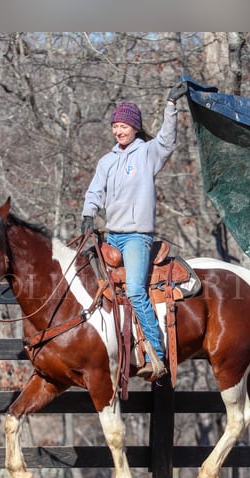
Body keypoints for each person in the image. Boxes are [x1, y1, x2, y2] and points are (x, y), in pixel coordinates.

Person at [81, 82, 188, 380]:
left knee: (136, 291)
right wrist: (88, 214)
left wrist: (170, 106)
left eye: (124, 125)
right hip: (110, 236)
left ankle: (156, 352)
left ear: (135, 128)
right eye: (115, 125)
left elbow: (167, 140)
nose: (118, 131)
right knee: (92, 285)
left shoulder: (148, 154)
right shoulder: (107, 161)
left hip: (136, 237)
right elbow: (94, 192)